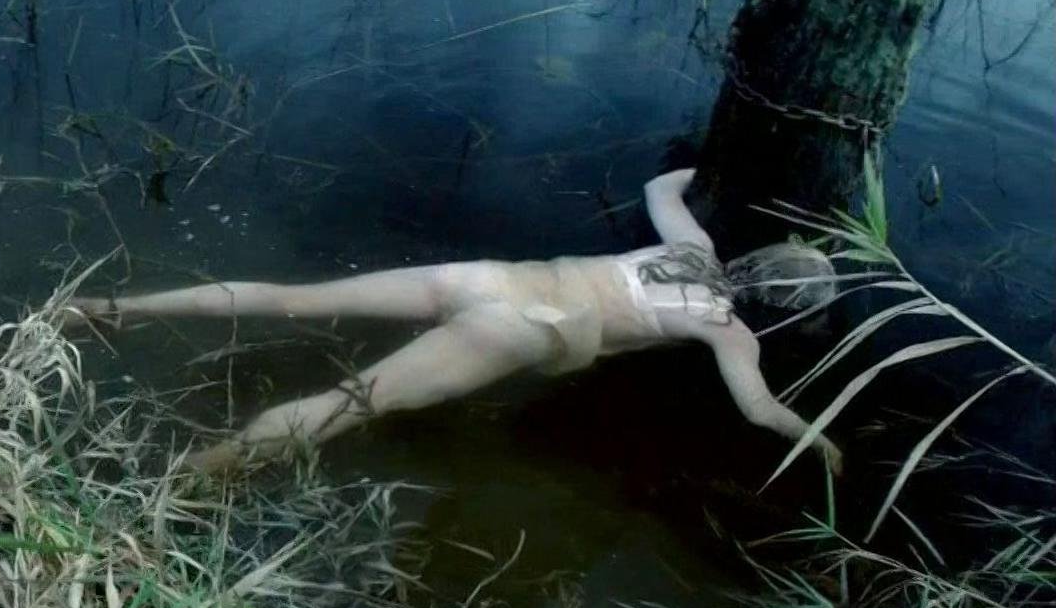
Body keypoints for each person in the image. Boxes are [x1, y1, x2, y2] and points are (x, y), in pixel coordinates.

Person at [69, 168, 842, 475]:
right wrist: (822, 442)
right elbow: (758, 408)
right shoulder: (729, 331)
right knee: (348, 404)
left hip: (490, 277)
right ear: (784, 311)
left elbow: (659, 187)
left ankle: (110, 310)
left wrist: (717, 167)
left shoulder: (689, 246)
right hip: (526, 328)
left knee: (289, 295)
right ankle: (188, 476)